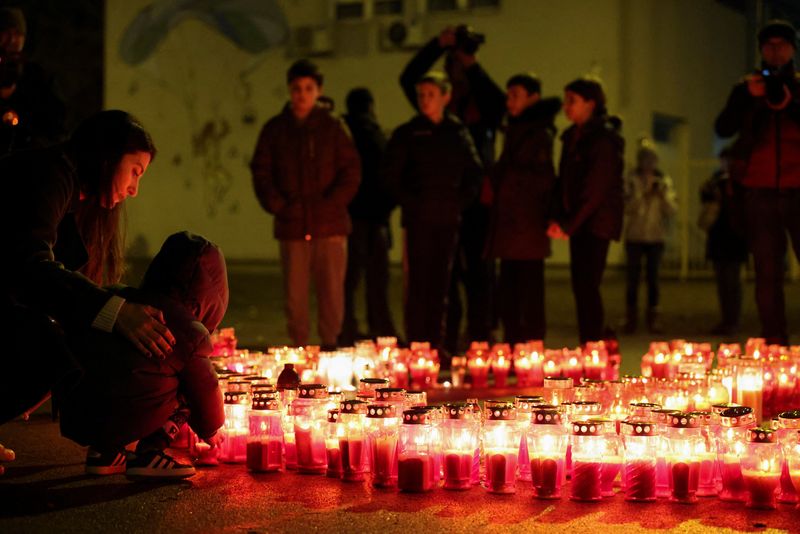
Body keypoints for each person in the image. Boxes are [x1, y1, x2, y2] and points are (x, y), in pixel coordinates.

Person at [0, 110, 175, 470]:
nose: (133, 189)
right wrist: (115, 311)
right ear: (108, 156)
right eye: (135, 172)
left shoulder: (70, 189)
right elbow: (31, 269)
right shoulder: (50, 175)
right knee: (51, 345)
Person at [59, 232, 227, 479]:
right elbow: (206, 387)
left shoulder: (121, 303)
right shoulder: (188, 331)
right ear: (210, 298)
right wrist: (211, 429)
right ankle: (148, 454)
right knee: (188, 389)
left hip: (78, 412)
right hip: (124, 415)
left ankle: (104, 454)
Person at [399, 25, 504, 353]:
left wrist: (470, 61)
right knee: (439, 275)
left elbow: (496, 102)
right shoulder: (430, 110)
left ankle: (479, 337)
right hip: (437, 199)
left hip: (476, 199)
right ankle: (443, 338)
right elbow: (409, 78)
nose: (453, 70)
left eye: (457, 66)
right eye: (450, 66)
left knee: (478, 272)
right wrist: (437, 44)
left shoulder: (480, 104)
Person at [251, 59, 361, 349]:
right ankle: (300, 348)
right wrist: (280, 206)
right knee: (295, 295)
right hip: (293, 224)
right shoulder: (275, 130)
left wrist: (332, 204)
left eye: (308, 88)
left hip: (330, 225)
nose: (302, 94)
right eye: (297, 88)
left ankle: (329, 345)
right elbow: (262, 171)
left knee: (331, 293)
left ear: (318, 90)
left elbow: (351, 170)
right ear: (289, 90)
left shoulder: (332, 129)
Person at [715, 20, 800, 345]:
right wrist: (749, 100)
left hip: (798, 188)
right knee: (766, 272)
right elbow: (723, 128)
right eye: (769, 45)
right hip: (760, 191)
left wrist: (790, 102)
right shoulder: (746, 89)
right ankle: (775, 342)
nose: (775, 51)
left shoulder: (799, 86)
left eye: (782, 45)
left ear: (793, 49)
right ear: (761, 49)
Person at [384, 72, 482, 353]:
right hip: (418, 220)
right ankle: (418, 345)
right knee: (418, 285)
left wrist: (458, 202)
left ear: (445, 97)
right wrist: (412, 202)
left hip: (448, 219)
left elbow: (474, 172)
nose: (425, 100)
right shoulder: (409, 133)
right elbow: (390, 175)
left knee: (443, 286)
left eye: (431, 94)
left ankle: (439, 345)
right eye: (421, 95)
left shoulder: (457, 133)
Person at [485, 73, 560, 345]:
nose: (509, 101)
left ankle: (528, 349)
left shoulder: (537, 133)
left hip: (525, 225)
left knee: (527, 292)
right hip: (512, 226)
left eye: (515, 94)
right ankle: (517, 346)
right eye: (508, 95)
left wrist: (501, 178)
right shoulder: (517, 129)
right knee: (510, 293)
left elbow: (541, 178)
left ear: (533, 98)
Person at [548, 78, 624, 345]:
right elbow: (564, 180)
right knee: (581, 285)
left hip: (596, 222)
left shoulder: (602, 140)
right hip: (581, 222)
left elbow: (595, 189)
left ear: (590, 104)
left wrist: (570, 223)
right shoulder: (573, 137)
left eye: (572, 100)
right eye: (565, 99)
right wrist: (560, 216)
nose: (566, 106)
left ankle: (593, 343)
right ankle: (592, 341)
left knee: (587, 285)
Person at [338, 87, 398, 345]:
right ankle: (379, 328)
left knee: (350, 280)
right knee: (376, 279)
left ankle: (348, 328)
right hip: (374, 217)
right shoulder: (374, 134)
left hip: (355, 215)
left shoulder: (345, 133)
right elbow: (388, 175)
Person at [621, 139, 678, 334]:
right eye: (645, 159)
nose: (648, 164)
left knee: (653, 279)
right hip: (635, 236)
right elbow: (626, 207)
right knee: (632, 279)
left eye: (651, 159)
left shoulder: (664, 181)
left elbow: (672, 209)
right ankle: (631, 318)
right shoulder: (631, 179)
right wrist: (642, 195)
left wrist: (661, 196)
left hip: (656, 237)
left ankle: (653, 317)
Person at [0, 7, 66, 154]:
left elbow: (56, 124)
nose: (11, 40)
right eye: (6, 33)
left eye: (17, 33)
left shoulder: (39, 77)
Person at [699, 147, 749, 336]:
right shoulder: (715, 180)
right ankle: (726, 319)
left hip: (735, 237)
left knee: (733, 282)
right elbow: (705, 198)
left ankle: (733, 320)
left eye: (728, 160)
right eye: (723, 160)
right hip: (719, 236)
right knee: (722, 282)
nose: (725, 164)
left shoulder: (741, 181)